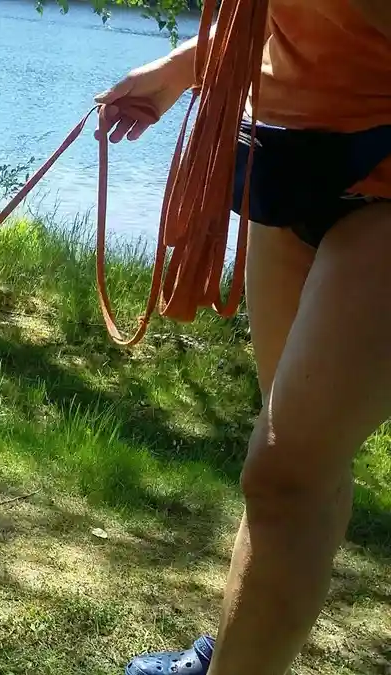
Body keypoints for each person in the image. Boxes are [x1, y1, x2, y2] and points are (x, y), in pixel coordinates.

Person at [93, 1, 391, 673]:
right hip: (280, 156)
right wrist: (181, 69)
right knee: (301, 475)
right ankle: (237, 649)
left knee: (286, 471)